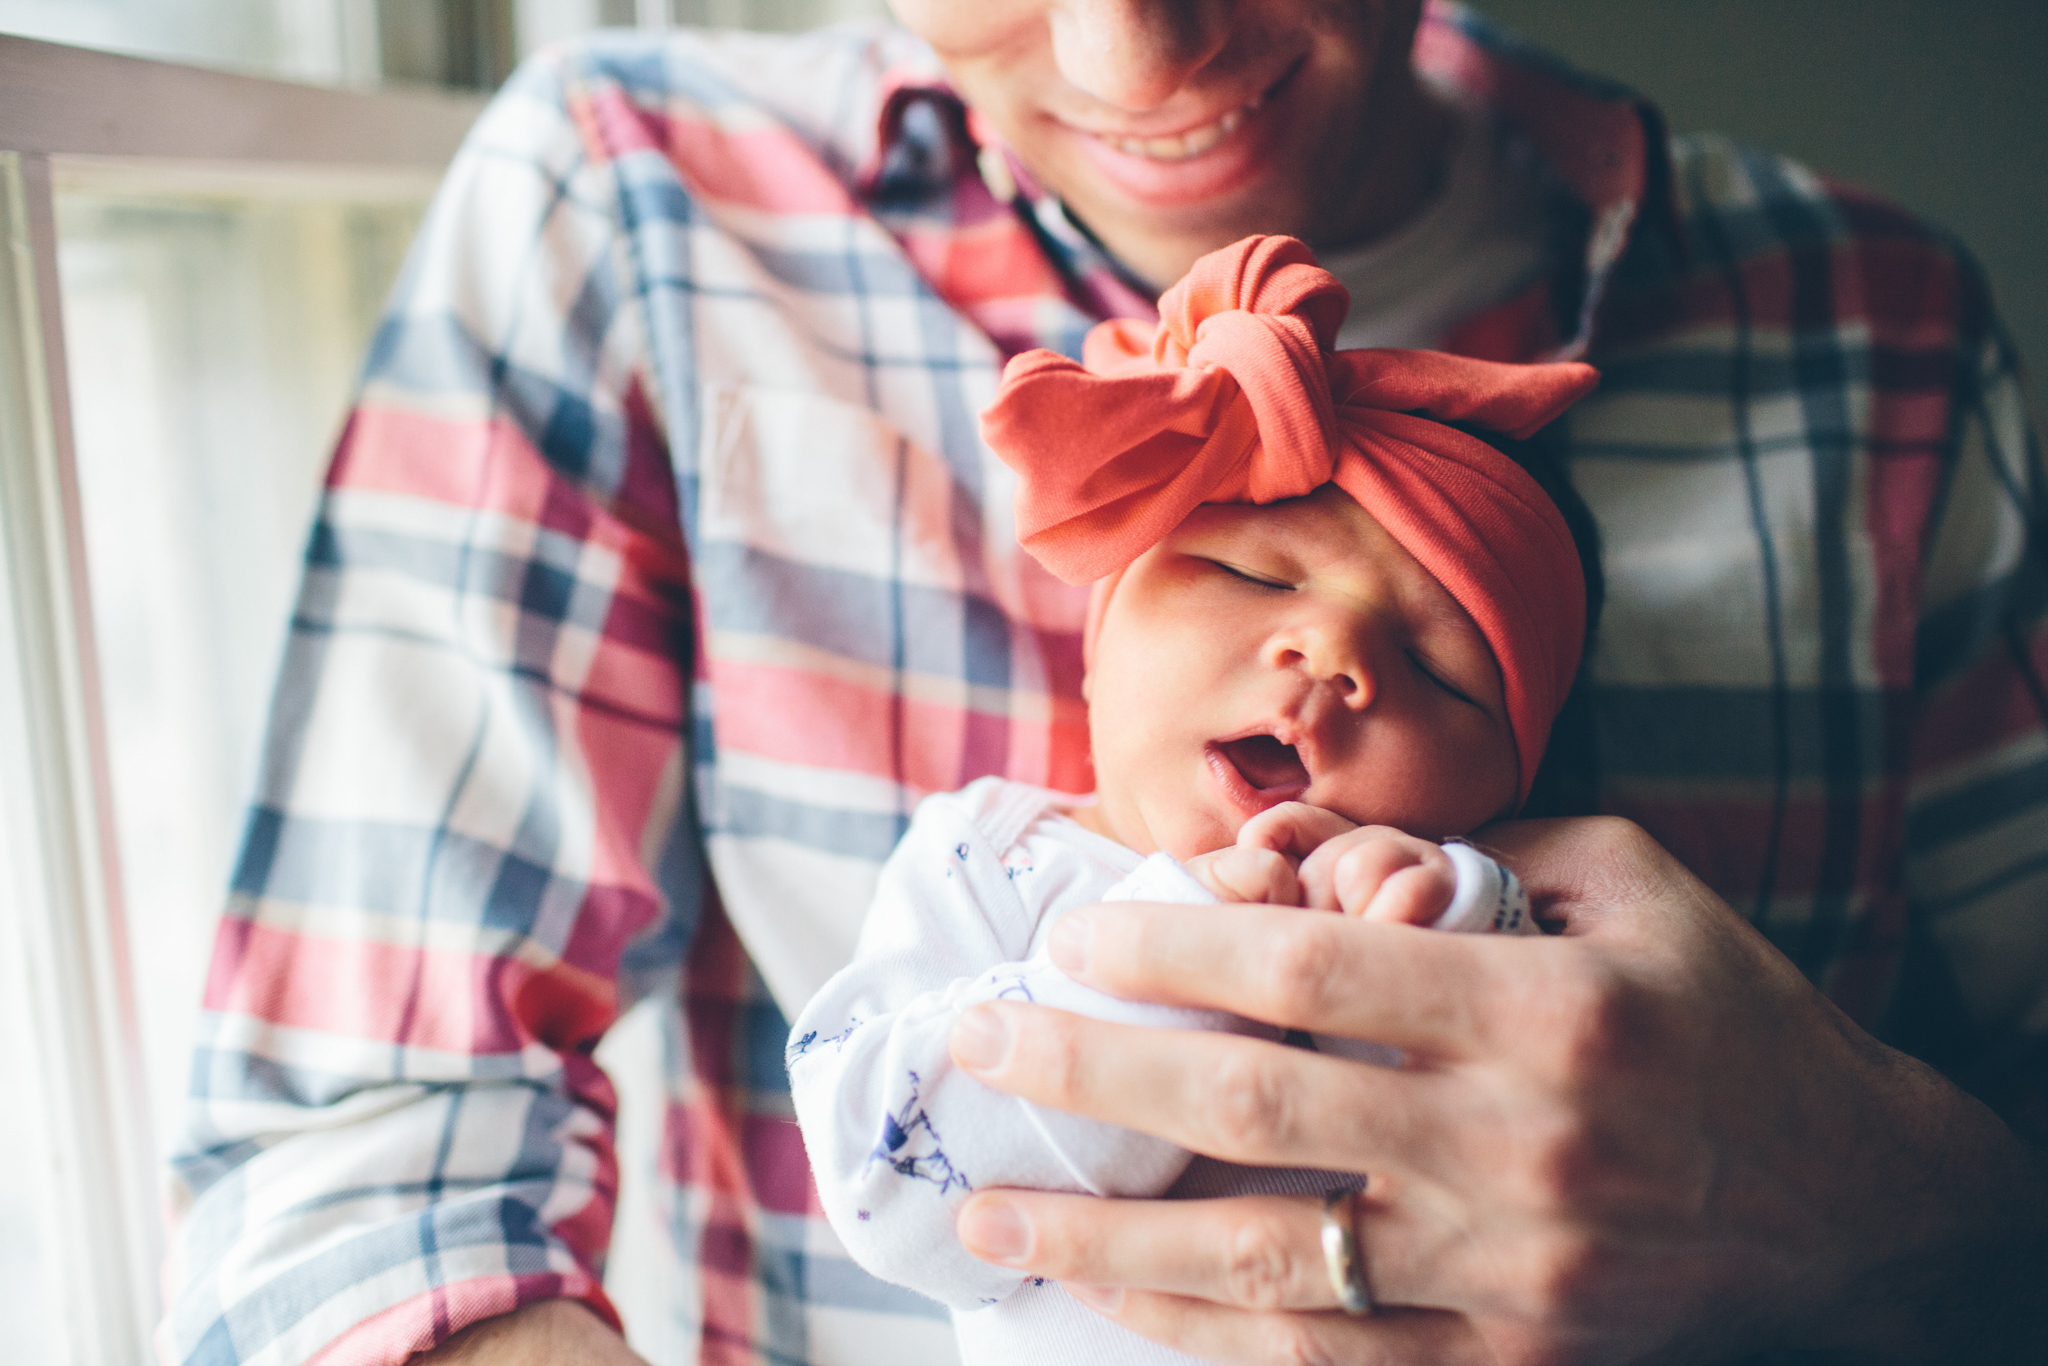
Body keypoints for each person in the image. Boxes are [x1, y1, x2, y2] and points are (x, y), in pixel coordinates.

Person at [156, 1, 2048, 1363]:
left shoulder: (1871, 331)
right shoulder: (626, 212)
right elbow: (347, 1182)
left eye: (1443, 660)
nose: (1127, 61)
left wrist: (1876, 1211)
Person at [789, 234, 1589, 1363]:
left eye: (1438, 670)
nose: (1331, 648)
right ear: (1098, 651)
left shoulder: (1473, 903)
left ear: (1505, 788)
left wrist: (1458, 915)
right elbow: (890, 1198)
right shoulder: (993, 858)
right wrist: (1165, 963)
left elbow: (1567, 1131)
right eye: (1252, 573)